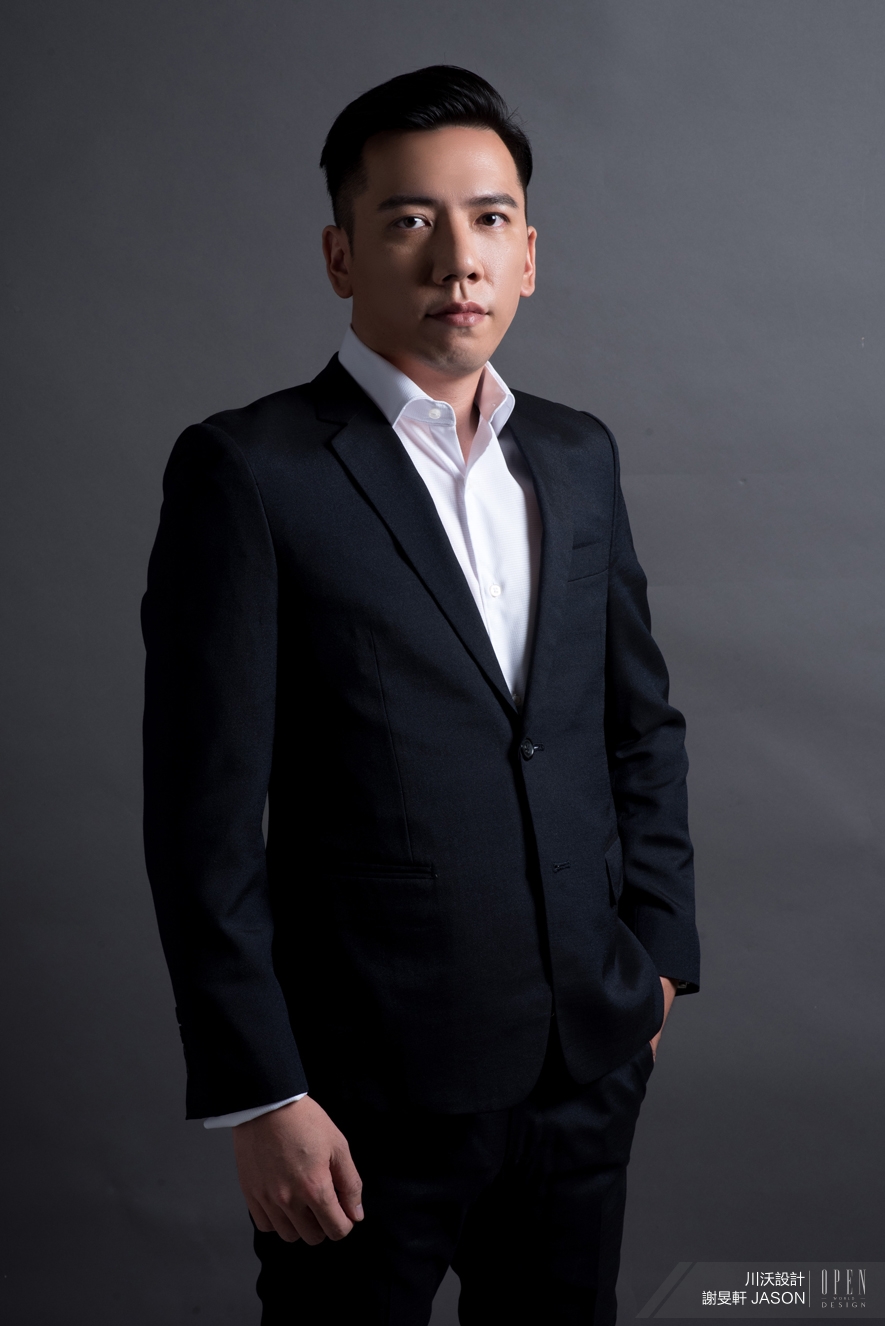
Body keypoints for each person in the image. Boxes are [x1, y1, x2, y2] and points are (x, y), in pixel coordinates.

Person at [142, 64, 699, 1326]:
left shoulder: (578, 455)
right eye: (410, 220)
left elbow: (639, 726)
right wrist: (262, 1093)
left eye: (490, 219)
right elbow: (201, 818)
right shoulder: (250, 472)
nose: (459, 258)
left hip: (583, 1073)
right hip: (358, 1103)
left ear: (529, 254)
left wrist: (659, 962)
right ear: (341, 255)